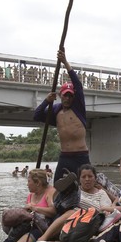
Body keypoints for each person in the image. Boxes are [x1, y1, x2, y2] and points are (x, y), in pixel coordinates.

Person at [33, 49, 89, 185]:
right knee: (58, 185)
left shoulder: (78, 108)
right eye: (66, 95)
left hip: (81, 155)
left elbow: (78, 86)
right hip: (65, 156)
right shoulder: (56, 110)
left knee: (84, 186)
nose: (68, 98)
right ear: (60, 95)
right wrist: (47, 100)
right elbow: (37, 115)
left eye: (71, 95)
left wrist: (65, 62)